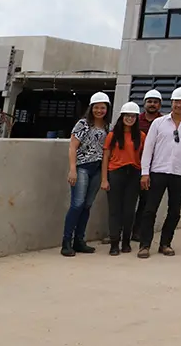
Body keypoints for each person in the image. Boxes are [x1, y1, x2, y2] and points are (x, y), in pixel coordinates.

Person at [138, 87, 181, 258]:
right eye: (176, 102)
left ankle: (165, 243)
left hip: (179, 174)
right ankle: (144, 245)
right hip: (157, 172)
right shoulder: (158, 123)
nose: (179, 105)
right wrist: (145, 172)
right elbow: (148, 148)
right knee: (150, 210)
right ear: (171, 103)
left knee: (174, 212)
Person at [61, 91, 111, 257]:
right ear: (91, 108)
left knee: (87, 205)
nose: (99, 111)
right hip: (82, 167)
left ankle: (79, 240)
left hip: (97, 169)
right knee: (77, 204)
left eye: (102, 108)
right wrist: (72, 169)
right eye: (96, 107)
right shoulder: (83, 124)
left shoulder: (107, 126)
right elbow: (73, 146)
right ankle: (66, 242)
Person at [101, 102, 146, 255]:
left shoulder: (141, 136)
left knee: (129, 211)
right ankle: (114, 243)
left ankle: (126, 242)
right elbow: (106, 157)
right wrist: (104, 179)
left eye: (133, 116)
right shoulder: (112, 135)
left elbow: (144, 157)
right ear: (122, 117)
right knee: (114, 210)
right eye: (127, 116)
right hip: (116, 173)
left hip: (134, 174)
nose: (130, 119)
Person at [130, 89, 163, 242]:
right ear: (144, 103)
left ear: (160, 105)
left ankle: (138, 232)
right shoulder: (135, 120)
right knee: (128, 201)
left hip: (152, 168)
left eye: (155, 102)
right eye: (149, 101)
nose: (152, 104)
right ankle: (121, 232)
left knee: (146, 203)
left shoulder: (164, 122)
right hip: (133, 165)